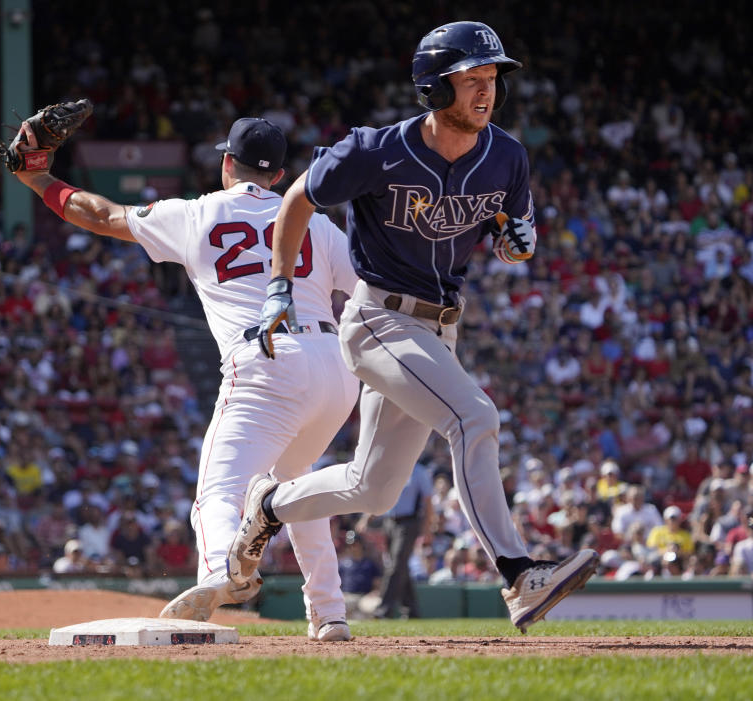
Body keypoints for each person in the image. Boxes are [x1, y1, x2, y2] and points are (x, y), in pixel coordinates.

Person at [225, 20, 599, 633]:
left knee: (373, 490)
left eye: (491, 80)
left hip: (439, 329)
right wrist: (278, 287)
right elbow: (296, 201)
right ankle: (519, 574)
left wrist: (518, 244)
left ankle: (268, 504)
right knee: (475, 417)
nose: (485, 92)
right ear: (432, 89)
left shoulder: (506, 155)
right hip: (378, 318)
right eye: (470, 80)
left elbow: (515, 234)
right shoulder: (376, 151)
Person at [10, 117, 360, 641]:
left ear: (226, 164)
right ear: (280, 174)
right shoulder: (315, 219)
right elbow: (365, 293)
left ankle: (223, 571)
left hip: (265, 356)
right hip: (333, 366)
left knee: (217, 494)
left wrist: (39, 180)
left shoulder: (197, 213)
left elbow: (102, 214)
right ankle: (329, 612)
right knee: (297, 483)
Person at [372, 462, 433, 619]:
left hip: (409, 523)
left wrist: (427, 529)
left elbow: (428, 502)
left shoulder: (419, 471)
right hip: (389, 522)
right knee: (400, 567)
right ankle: (411, 611)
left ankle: (383, 610)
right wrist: (367, 517)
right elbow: (381, 497)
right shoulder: (393, 469)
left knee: (396, 565)